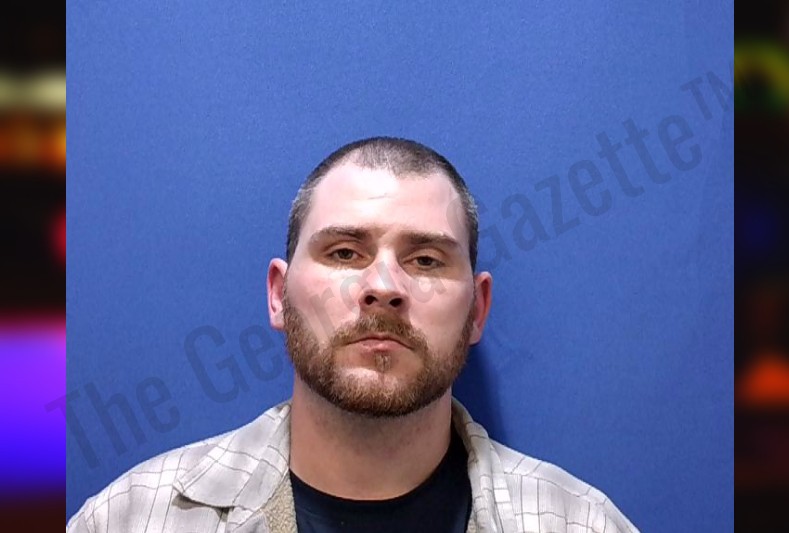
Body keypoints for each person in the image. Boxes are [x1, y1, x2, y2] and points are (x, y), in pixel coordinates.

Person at [67, 137, 639, 532]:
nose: (383, 287)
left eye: (426, 260)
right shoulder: (132, 518)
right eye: (344, 253)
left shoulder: (582, 523)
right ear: (278, 295)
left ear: (477, 310)